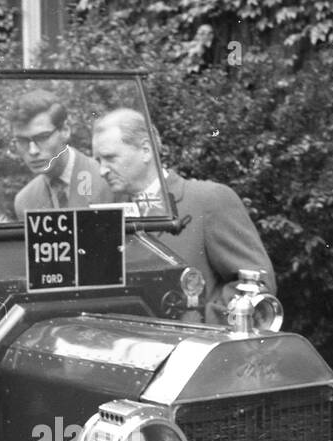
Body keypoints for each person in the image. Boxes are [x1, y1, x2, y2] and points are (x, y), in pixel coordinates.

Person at [91, 107, 276, 313]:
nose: (102, 171)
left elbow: (255, 284)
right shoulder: (107, 212)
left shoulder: (209, 199)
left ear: (145, 150)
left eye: (110, 158)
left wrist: (200, 325)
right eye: (98, 161)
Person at [10, 90, 107, 216]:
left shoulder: (106, 178)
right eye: (22, 141)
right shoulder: (25, 201)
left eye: (42, 137)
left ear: (65, 131)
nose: (33, 151)